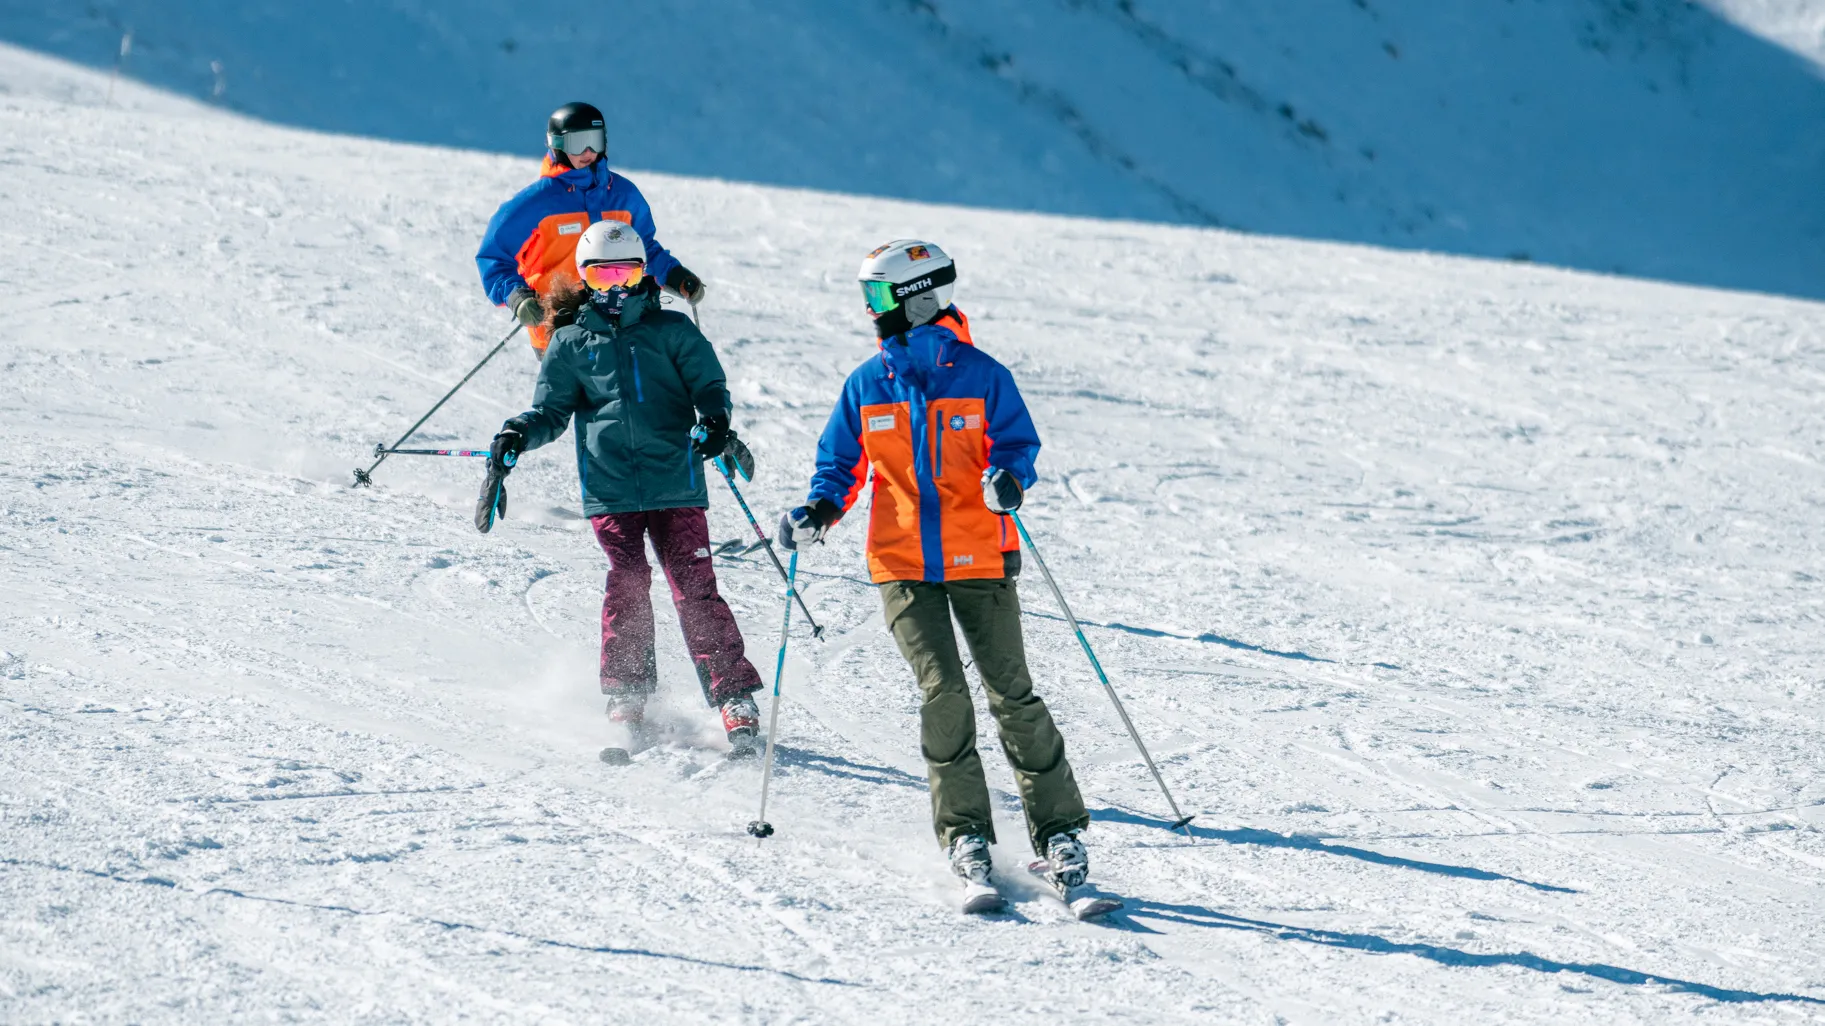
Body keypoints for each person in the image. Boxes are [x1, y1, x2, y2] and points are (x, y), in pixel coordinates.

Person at [776, 239, 1093, 904]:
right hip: (901, 564)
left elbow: (1016, 445)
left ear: (917, 295)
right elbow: (840, 465)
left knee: (1012, 694)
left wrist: (1008, 478)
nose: (870, 310)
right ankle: (965, 834)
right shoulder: (868, 382)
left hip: (981, 554)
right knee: (942, 691)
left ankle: (1059, 831)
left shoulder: (981, 375)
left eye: (877, 296)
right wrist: (816, 510)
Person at [481, 219, 762, 750]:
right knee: (627, 582)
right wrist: (521, 430)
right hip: (610, 487)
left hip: (674, 480)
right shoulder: (568, 342)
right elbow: (551, 411)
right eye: (604, 274)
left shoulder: (673, 330)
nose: (617, 286)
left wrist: (716, 422)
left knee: (694, 587)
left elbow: (710, 386)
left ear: (642, 273)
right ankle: (628, 688)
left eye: (628, 273)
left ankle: (733, 694)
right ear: (586, 277)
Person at [476, 101, 706, 358]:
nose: (588, 151)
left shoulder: (624, 196)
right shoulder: (535, 204)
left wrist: (675, 275)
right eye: (577, 142)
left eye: (594, 141)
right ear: (557, 144)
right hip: (560, 329)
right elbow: (494, 257)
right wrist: (517, 298)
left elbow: (645, 249)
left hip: (622, 322)